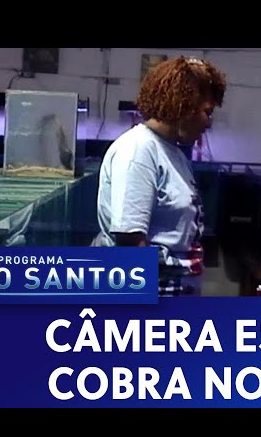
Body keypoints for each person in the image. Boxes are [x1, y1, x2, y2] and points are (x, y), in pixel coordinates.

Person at [91, 56, 227, 296]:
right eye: (207, 111)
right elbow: (130, 244)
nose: (208, 123)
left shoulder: (174, 152)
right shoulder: (139, 150)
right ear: (185, 105)